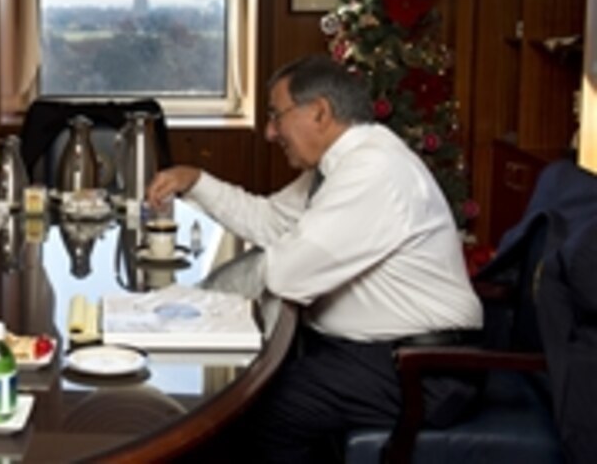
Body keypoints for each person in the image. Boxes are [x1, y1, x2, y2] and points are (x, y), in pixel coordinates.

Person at [146, 54, 482, 463]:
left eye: (276, 116)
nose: (270, 132)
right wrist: (196, 181)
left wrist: (186, 304)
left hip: (420, 370)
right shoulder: (340, 165)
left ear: (319, 112)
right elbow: (271, 222)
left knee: (264, 409)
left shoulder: (373, 170)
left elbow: (285, 273)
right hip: (377, 353)